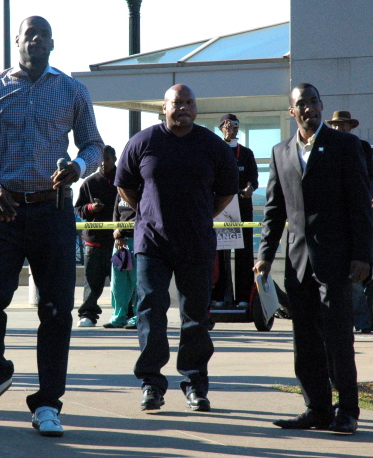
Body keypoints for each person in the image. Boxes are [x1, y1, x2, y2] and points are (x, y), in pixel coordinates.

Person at [0, 16, 103, 437]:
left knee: (57, 310)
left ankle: (47, 404)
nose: (36, 40)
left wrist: (78, 167)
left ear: (52, 44)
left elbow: (93, 143)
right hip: (2, 211)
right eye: (29, 35)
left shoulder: (72, 90)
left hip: (52, 210)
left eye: (43, 35)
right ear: (17, 41)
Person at [255, 84, 373, 434]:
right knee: (304, 340)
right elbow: (274, 210)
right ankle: (317, 408)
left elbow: (359, 206)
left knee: (338, 339)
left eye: (313, 102)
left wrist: (363, 256)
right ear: (292, 112)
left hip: (337, 262)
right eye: (300, 104)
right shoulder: (281, 152)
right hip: (297, 263)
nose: (308, 108)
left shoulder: (346, 146)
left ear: (321, 106)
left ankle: (347, 410)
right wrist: (263, 255)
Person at [115, 84, 238, 413]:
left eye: (189, 102)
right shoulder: (143, 142)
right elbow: (126, 185)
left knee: (195, 318)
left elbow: (226, 192)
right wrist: (147, 212)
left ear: (195, 109)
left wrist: (201, 215)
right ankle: (151, 385)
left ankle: (196, 384)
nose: (183, 107)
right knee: (150, 314)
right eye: (176, 103)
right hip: (152, 244)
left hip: (196, 243)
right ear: (164, 108)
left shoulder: (212, 146)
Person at [325, 110, 373, 334]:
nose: (339, 128)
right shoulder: (325, 148)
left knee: (360, 275)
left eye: (342, 125)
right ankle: (351, 323)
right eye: (335, 125)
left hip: (361, 216)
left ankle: (363, 322)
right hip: (336, 220)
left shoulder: (362, 148)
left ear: (350, 127)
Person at [211, 114, 258, 307]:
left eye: (236, 127)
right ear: (222, 127)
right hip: (223, 207)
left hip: (243, 207)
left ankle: (243, 297)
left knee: (244, 253)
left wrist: (250, 188)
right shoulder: (217, 151)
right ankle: (220, 296)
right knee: (221, 252)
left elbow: (253, 179)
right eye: (229, 126)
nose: (232, 130)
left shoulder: (246, 153)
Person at [74, 145, 118, 327]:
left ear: (114, 159)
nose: (102, 164)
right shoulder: (89, 183)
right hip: (95, 242)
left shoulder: (124, 180)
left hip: (121, 241)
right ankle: (88, 314)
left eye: (106, 160)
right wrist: (91, 208)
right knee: (92, 283)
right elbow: (79, 209)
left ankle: (128, 313)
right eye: (100, 160)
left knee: (124, 284)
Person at [105, 193, 138, 329]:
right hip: (120, 242)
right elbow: (115, 214)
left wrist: (122, 230)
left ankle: (138, 317)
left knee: (138, 282)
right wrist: (117, 232)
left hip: (138, 240)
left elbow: (143, 213)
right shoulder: (120, 192)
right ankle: (118, 317)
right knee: (118, 283)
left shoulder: (142, 189)